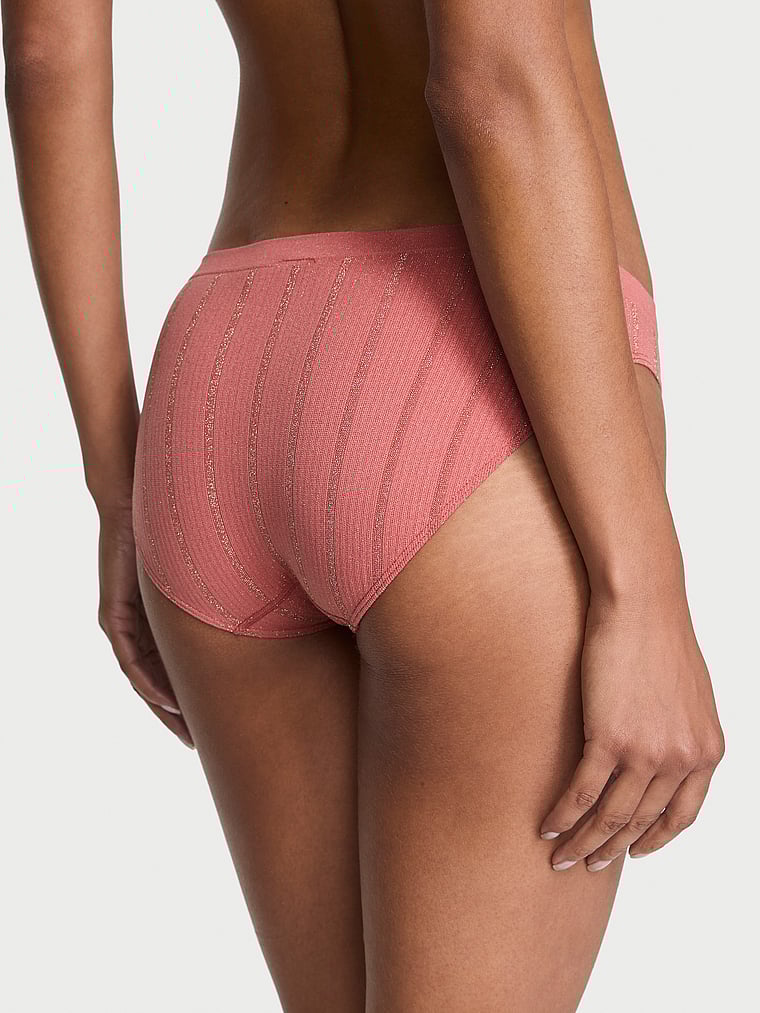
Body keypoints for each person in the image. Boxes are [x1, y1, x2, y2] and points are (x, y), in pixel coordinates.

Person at [4, 0, 725, 1009]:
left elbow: (45, 53)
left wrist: (116, 487)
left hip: (222, 378)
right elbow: (490, 83)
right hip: (473, 376)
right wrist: (642, 584)